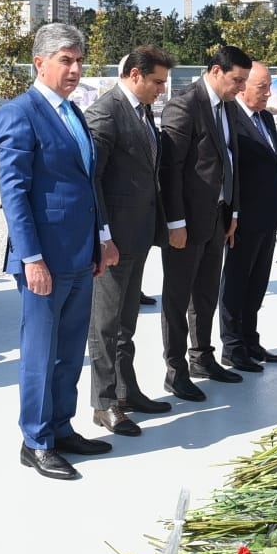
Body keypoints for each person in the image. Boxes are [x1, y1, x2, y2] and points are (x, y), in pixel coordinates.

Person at [0, 24, 110, 480]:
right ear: (39, 63)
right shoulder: (18, 113)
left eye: (79, 59)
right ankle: (36, 440)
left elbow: (86, 183)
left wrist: (103, 237)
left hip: (81, 255)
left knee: (68, 350)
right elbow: (15, 193)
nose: (76, 68)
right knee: (40, 354)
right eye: (66, 59)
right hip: (44, 259)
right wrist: (31, 258)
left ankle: (61, 427)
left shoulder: (73, 114)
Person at [85, 45, 174, 436]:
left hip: (136, 234)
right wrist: (104, 236)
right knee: (104, 325)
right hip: (114, 239)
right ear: (135, 74)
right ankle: (103, 403)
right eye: (157, 82)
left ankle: (125, 391)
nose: (161, 90)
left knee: (125, 323)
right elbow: (93, 181)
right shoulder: (107, 112)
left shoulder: (141, 109)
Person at [160, 46, 250, 398]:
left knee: (207, 294)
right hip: (187, 221)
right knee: (178, 298)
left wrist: (234, 212)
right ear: (216, 71)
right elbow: (171, 170)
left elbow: (231, 161)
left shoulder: (227, 107)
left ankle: (201, 356)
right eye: (236, 80)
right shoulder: (185, 104)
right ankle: (176, 369)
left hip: (217, 218)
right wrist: (175, 222)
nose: (241, 88)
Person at [219, 61, 277, 372]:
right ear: (243, 86)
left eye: (269, 86)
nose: (268, 93)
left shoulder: (266, 120)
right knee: (236, 283)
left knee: (257, 283)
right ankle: (232, 347)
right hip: (241, 220)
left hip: (267, 218)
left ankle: (250, 339)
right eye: (262, 87)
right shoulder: (230, 119)